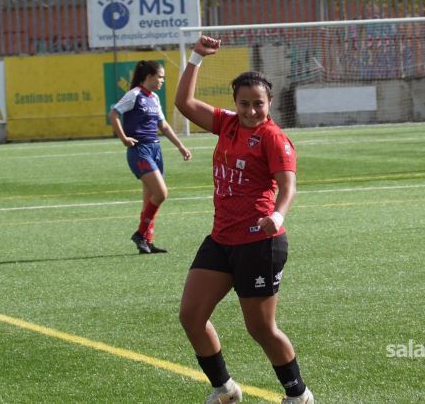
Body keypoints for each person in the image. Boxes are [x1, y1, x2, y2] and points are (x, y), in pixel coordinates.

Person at [175, 36, 314, 404]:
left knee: (260, 328)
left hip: (260, 242)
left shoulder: (273, 138)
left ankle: (298, 394)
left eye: (259, 104)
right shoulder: (228, 124)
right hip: (221, 239)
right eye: (245, 104)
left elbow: (289, 185)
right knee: (191, 315)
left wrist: (277, 214)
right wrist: (196, 58)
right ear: (235, 103)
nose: (251, 111)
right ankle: (225, 389)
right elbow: (184, 103)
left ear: (269, 103)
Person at [108, 60, 192, 254]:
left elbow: (163, 126)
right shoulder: (134, 95)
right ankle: (140, 234)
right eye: (160, 76)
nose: (162, 80)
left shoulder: (154, 98)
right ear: (149, 77)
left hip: (155, 149)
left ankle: (146, 240)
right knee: (161, 194)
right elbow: (113, 115)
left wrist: (180, 146)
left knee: (149, 200)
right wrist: (124, 139)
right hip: (140, 151)